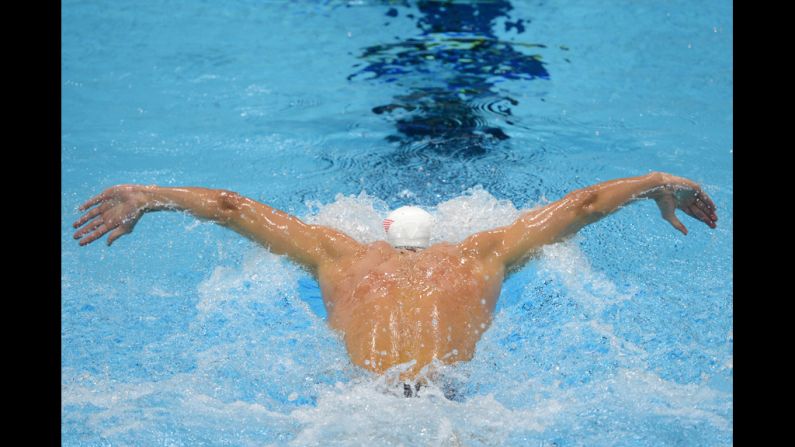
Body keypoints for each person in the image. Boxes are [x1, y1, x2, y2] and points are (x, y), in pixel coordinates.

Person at [73, 172, 717, 394]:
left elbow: (230, 206)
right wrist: (660, 182)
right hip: (454, 407)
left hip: (359, 408)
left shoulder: (339, 257)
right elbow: (581, 205)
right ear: (437, 238)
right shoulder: (479, 256)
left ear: (380, 235)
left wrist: (148, 195)